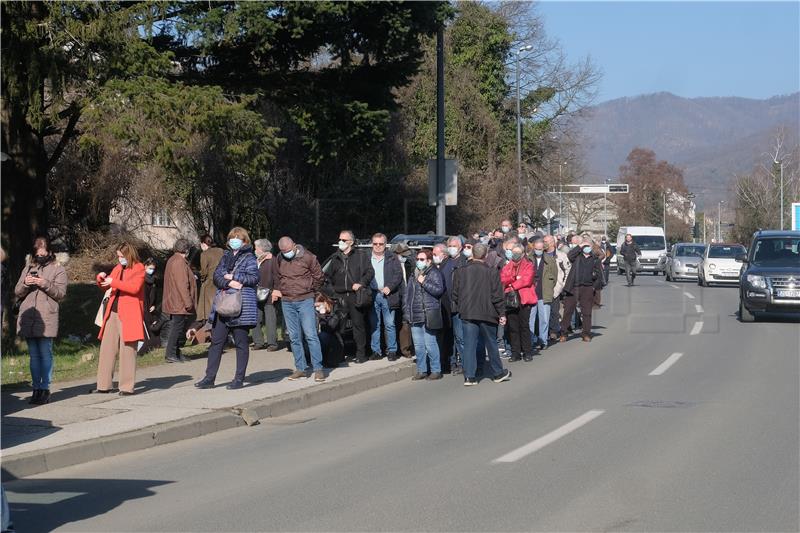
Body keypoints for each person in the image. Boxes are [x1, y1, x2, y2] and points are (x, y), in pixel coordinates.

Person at [194, 228, 259, 390]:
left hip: (241, 305)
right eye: (231, 238)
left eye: (237, 238)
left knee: (241, 343)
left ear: (245, 241)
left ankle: (238, 378)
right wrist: (229, 282)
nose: (233, 240)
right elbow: (217, 276)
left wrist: (235, 277)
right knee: (216, 342)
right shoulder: (226, 256)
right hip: (223, 304)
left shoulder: (250, 257)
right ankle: (209, 377)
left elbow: (254, 277)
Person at [14, 236, 67, 405]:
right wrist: (26, 283)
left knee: (45, 354)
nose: (41, 256)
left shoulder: (58, 269)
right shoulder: (29, 267)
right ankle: (36, 388)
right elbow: (17, 291)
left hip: (47, 316)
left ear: (50, 252)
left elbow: (60, 294)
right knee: (34, 356)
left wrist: (44, 283)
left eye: (44, 253)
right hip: (30, 317)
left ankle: (45, 388)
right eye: (38, 254)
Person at [451, 243, 511, 386]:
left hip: (468, 313)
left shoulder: (461, 271)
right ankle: (497, 373)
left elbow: (455, 294)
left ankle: (469, 376)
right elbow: (497, 295)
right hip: (487, 313)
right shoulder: (491, 272)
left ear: (473, 254)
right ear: (485, 256)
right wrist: (501, 312)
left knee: (469, 345)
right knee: (491, 344)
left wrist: (462, 307)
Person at [271, 236, 327, 382]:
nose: (286, 253)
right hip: (287, 301)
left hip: (305, 299)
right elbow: (277, 276)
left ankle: (318, 368)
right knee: (294, 337)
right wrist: (279, 289)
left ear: (294, 245)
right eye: (283, 251)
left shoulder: (308, 257)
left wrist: (310, 290)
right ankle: (300, 368)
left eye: (288, 251)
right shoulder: (279, 258)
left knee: (310, 335)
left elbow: (319, 276)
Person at [94, 242, 146, 396]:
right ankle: (103, 385)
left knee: (128, 351)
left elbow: (134, 288)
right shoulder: (118, 268)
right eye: (118, 256)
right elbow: (106, 285)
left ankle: (126, 387)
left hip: (129, 315)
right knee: (107, 349)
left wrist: (113, 282)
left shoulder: (139, 268)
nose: (120, 259)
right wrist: (101, 278)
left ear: (129, 255)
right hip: (112, 313)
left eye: (122, 256)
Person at [323, 230, 374, 364]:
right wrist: (332, 292)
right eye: (339, 239)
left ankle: (361, 354)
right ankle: (339, 354)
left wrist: (361, 283)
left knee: (358, 326)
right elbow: (326, 277)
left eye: (343, 240)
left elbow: (370, 272)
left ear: (351, 242)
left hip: (355, 296)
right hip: (339, 296)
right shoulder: (335, 258)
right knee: (338, 326)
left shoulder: (361, 256)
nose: (340, 242)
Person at [403, 249, 445, 381]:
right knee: (419, 345)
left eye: (422, 260)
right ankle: (422, 370)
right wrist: (406, 312)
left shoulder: (434, 273)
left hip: (428, 313)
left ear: (428, 261)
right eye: (417, 259)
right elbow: (407, 295)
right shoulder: (413, 275)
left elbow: (439, 290)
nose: (419, 262)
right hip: (415, 314)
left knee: (430, 343)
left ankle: (436, 370)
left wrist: (424, 282)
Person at [559, 239, 605, 343]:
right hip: (573, 287)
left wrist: (593, 287)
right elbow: (570, 255)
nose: (587, 248)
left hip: (587, 288)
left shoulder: (594, 259)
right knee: (568, 311)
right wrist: (580, 245)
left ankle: (586, 334)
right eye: (585, 246)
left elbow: (599, 276)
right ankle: (563, 333)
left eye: (589, 246)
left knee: (587, 312)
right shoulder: (576, 257)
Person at [368, 233, 403, 360]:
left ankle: (392, 350)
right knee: (374, 325)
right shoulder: (366, 258)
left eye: (381, 244)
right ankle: (376, 351)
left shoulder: (392, 258)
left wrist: (390, 287)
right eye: (375, 244)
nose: (378, 246)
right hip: (372, 294)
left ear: (385, 244)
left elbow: (398, 275)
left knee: (389, 324)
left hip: (388, 295)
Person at [162, 238, 197, 363]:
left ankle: (176, 353)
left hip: (175, 300)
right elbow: (182, 284)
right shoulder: (179, 262)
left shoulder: (173, 260)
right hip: (179, 302)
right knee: (177, 328)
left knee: (178, 327)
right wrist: (188, 303)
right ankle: (170, 354)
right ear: (186, 250)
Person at [500, 242, 536, 362]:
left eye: (517, 252)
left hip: (524, 299)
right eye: (513, 252)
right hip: (510, 299)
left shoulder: (528, 265)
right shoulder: (507, 265)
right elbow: (503, 279)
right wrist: (515, 278)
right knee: (512, 327)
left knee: (524, 326)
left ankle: (527, 351)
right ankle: (515, 353)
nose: (514, 255)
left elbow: (527, 280)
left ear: (522, 253)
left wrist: (513, 284)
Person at [439, 236, 467, 374]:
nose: (451, 248)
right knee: (449, 337)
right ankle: (451, 362)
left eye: (454, 245)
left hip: (458, 306)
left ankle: (464, 363)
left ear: (460, 247)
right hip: (445, 306)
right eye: (449, 245)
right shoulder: (445, 262)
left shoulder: (464, 262)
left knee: (460, 337)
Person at [529, 238, 558, 351]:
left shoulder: (550, 260)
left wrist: (549, 287)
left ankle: (543, 340)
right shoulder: (528, 259)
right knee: (530, 320)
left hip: (544, 293)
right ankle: (531, 340)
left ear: (544, 248)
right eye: (537, 249)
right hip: (531, 294)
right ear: (534, 248)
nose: (538, 251)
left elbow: (554, 277)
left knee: (544, 319)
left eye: (540, 249)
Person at [252, 238, 280, 351]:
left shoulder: (272, 260)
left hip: (269, 294)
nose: (254, 250)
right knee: (255, 318)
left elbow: (277, 277)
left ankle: (272, 343)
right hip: (255, 293)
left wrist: (276, 292)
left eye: (256, 247)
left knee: (270, 319)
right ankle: (258, 342)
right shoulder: (256, 260)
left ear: (262, 248)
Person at [392, 243, 415, 359]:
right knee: (393, 325)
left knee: (406, 324)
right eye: (403, 255)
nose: (405, 257)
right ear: (396, 254)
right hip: (395, 298)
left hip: (407, 298)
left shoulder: (409, 264)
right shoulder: (390, 265)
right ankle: (394, 349)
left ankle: (406, 349)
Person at [197, 234, 224, 321]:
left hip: (210, 283)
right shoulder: (221, 251)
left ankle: (209, 324)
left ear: (203, 244)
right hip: (222, 281)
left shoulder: (204, 254)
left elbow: (204, 272)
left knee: (208, 308)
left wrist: (200, 278)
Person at [139, 258, 163, 355]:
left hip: (151, 308)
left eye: (153, 268)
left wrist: (154, 305)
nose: (151, 270)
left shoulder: (153, 281)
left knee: (153, 326)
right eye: (150, 268)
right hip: (143, 307)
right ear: (145, 267)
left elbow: (155, 295)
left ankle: (154, 344)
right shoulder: (141, 279)